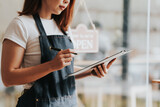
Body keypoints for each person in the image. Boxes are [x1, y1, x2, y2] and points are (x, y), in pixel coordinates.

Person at [1, 0, 116, 107]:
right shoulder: (21, 25)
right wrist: (51, 65)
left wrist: (90, 71)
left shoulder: (63, 27)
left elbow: (63, 71)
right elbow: (8, 78)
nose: (67, 1)